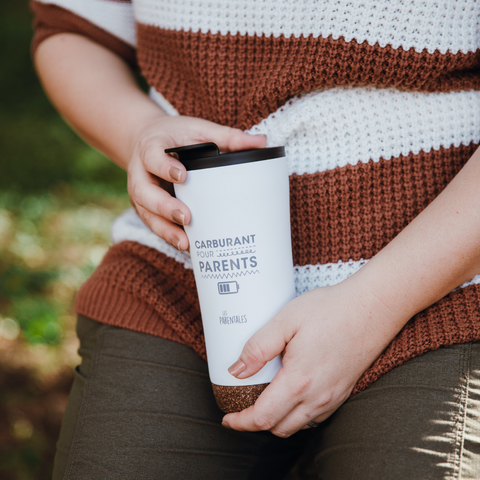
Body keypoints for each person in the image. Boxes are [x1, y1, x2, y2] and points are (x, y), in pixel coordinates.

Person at [31, 1, 480, 478]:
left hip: (438, 286)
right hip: (185, 277)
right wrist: (140, 130)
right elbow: (72, 28)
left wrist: (375, 306)